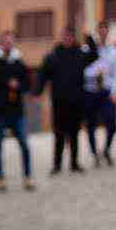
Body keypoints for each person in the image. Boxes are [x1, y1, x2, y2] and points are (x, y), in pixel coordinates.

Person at [34, 26, 98, 175]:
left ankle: (74, 163)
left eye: (70, 36)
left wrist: (88, 37)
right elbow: (43, 75)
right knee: (59, 135)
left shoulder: (80, 54)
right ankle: (57, 165)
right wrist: (37, 91)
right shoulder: (53, 56)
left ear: (73, 38)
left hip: (76, 102)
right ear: (61, 37)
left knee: (75, 134)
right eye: (65, 36)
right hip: (59, 103)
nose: (67, 38)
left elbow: (94, 55)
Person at [0, 30, 34, 191]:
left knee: (25, 145)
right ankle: (0, 179)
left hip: (17, 112)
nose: (8, 44)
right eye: (6, 41)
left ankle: (27, 177)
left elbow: (28, 84)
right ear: (1, 43)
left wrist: (19, 86)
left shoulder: (19, 63)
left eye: (11, 41)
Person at [83, 20, 116, 167]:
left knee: (111, 122)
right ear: (98, 32)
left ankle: (106, 150)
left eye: (105, 30)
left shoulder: (114, 51)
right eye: (100, 30)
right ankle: (95, 154)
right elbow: (84, 69)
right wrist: (94, 73)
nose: (103, 33)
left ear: (108, 31)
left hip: (107, 90)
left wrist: (115, 92)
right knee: (91, 124)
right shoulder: (88, 49)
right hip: (91, 89)